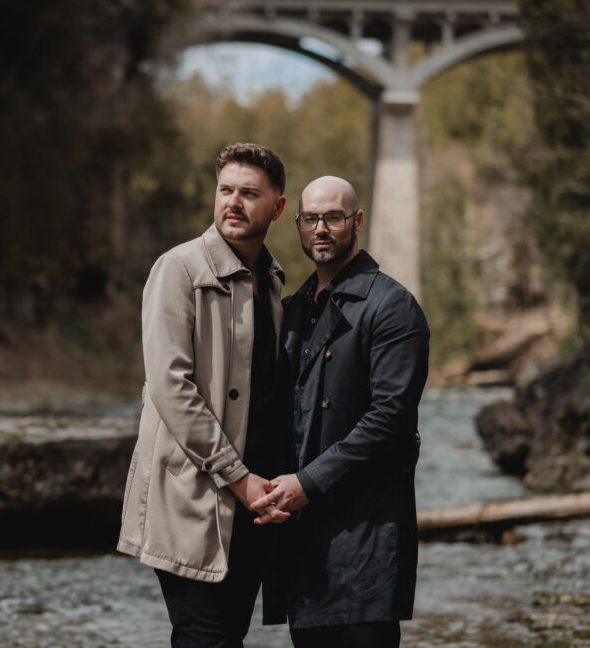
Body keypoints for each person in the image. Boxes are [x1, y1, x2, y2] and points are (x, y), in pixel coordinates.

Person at [117, 143, 292, 647]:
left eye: (249, 193)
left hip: (254, 506)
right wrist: (239, 478)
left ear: (277, 207)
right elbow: (171, 388)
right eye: (225, 190)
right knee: (206, 637)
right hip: (194, 499)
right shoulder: (179, 269)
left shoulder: (273, 280)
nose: (233, 202)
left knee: (227, 637)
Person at [252, 176, 429, 647]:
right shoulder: (290, 310)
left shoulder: (393, 307)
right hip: (301, 545)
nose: (321, 229)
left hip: (365, 545)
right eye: (310, 219)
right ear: (298, 224)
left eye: (333, 217)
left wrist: (306, 484)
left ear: (358, 221)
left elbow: (389, 420)